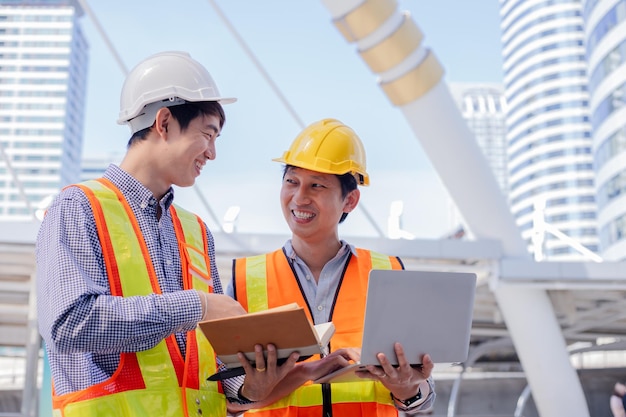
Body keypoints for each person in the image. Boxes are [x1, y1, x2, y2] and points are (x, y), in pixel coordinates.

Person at [36, 51, 296, 417]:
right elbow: (70, 324)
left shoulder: (196, 232)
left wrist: (249, 385)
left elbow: (204, 362)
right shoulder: (79, 208)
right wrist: (198, 305)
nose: (213, 153)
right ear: (164, 123)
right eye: (208, 134)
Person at [227, 118, 436, 416]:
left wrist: (407, 389)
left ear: (350, 200)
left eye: (317, 185)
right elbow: (224, 398)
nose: (299, 197)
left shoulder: (387, 273)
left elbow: (423, 395)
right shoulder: (244, 279)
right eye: (291, 181)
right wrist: (296, 375)